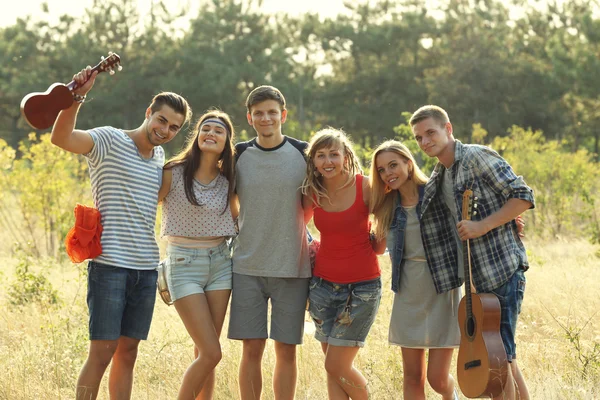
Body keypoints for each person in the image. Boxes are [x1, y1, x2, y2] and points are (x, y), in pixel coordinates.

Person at [50, 66, 191, 400]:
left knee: (128, 353)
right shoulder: (109, 140)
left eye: (174, 127)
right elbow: (61, 138)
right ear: (149, 113)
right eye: (161, 120)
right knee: (101, 353)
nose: (165, 130)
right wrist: (77, 98)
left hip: (146, 269)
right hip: (110, 265)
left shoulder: (159, 156)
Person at [410, 105, 534, 400]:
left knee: (499, 359)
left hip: (502, 268)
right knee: (505, 357)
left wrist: (484, 225)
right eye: (418, 138)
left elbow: (523, 196)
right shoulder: (440, 174)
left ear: (448, 129)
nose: (425, 141)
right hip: (477, 278)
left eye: (431, 133)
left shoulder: (477, 156)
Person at [227, 85, 311, 400]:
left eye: (272, 112)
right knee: (252, 348)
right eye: (259, 113)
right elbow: (227, 200)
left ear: (283, 115)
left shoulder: (303, 152)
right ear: (250, 117)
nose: (266, 118)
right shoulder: (239, 154)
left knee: (286, 350)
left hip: (293, 265)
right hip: (247, 265)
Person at [370, 140, 460, 400]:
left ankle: (450, 394)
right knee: (411, 377)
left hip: (442, 286)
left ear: (409, 164)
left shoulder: (436, 191)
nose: (389, 173)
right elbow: (378, 246)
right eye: (382, 170)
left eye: (393, 165)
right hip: (408, 291)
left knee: (437, 378)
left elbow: (467, 213)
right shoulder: (387, 205)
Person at [158, 110, 237, 400]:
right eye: (206, 128)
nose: (211, 133)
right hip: (183, 264)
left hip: (220, 263)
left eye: (219, 130)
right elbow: (143, 203)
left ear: (227, 141)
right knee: (211, 352)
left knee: (207, 351)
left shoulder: (230, 180)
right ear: (197, 135)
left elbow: (243, 215)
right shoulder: (173, 172)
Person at [302, 128, 385, 400]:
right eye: (321, 155)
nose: (328, 161)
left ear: (345, 155)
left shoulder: (365, 186)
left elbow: (384, 232)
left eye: (333, 154)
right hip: (323, 286)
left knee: (336, 364)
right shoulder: (313, 191)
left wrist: (377, 237)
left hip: (361, 288)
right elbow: (297, 225)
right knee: (332, 367)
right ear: (313, 161)